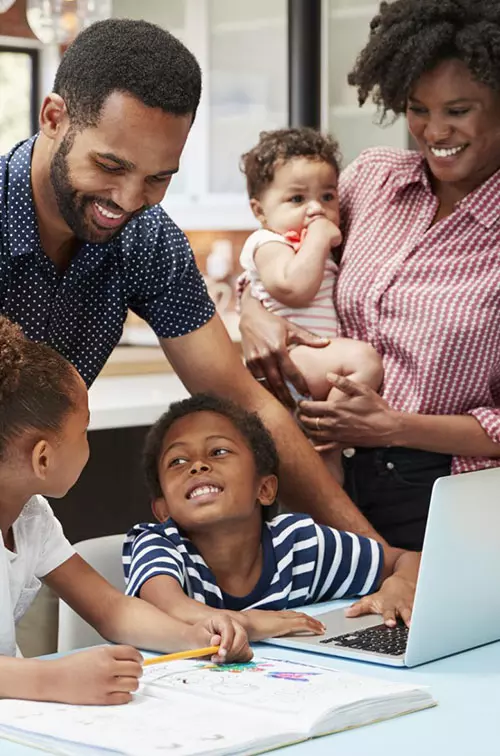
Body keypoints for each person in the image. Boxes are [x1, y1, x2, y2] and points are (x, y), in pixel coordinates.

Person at [0, 19, 393, 559]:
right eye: (110, 165)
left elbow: (243, 399)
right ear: (53, 118)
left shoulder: (146, 239)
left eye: (159, 177)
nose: (130, 199)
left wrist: (378, 555)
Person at [239, 0, 500, 551]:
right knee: (321, 631)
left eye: (458, 110)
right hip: (318, 462)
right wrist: (252, 311)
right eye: (417, 107)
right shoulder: (372, 180)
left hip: (434, 487)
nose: (433, 130)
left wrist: (392, 425)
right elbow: (290, 258)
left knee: (416, 633)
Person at [0, 317, 252, 705]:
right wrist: (50, 679)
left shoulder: (31, 518)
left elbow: (111, 608)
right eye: (84, 430)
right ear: (43, 459)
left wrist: (195, 636)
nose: (89, 442)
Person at [123, 393, 420, 636]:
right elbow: (170, 608)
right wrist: (248, 623)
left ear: (264, 488)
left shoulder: (300, 545)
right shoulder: (158, 544)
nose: (197, 466)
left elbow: (409, 560)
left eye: (218, 452)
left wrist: (399, 584)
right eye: (178, 460)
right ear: (163, 510)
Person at [239, 127, 383, 481]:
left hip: (311, 362)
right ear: (260, 210)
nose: (316, 208)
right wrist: (320, 237)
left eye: (328, 196)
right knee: (364, 360)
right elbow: (292, 288)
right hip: (289, 356)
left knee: (324, 477)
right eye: (297, 199)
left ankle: (323, 524)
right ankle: (327, 425)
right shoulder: (268, 242)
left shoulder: (309, 247)